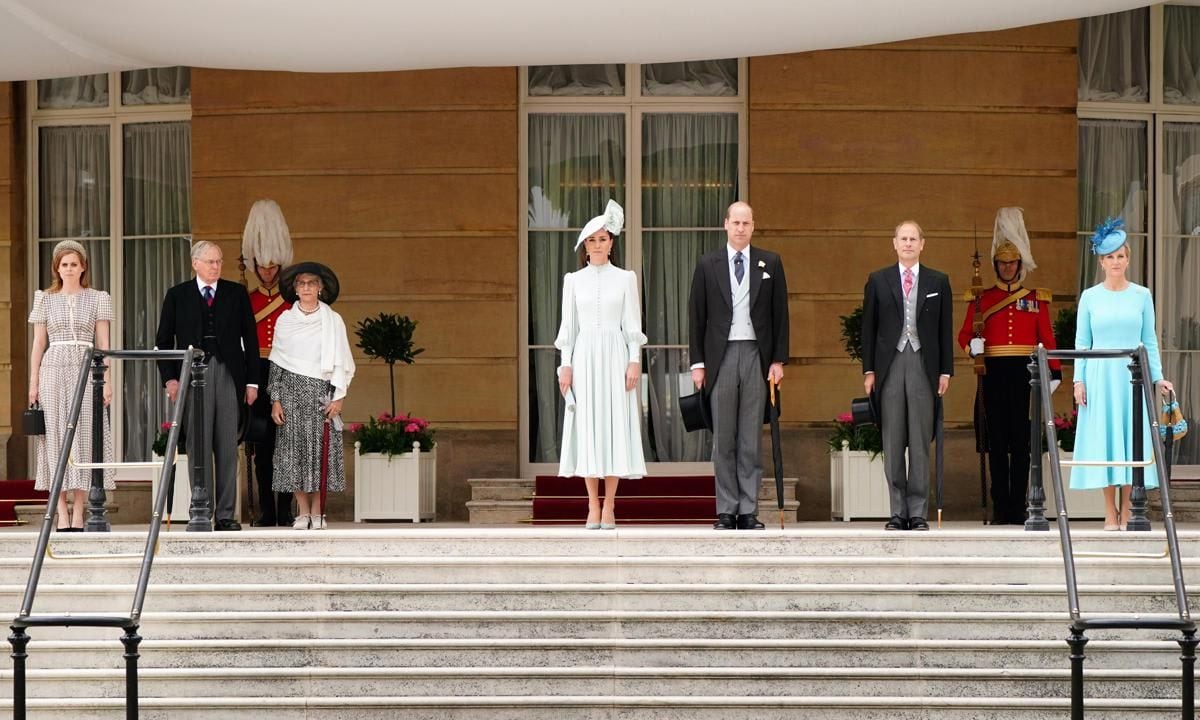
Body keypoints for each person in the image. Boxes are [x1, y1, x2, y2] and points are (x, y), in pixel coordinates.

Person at [688, 201, 789, 531]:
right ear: (726, 224)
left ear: (753, 226)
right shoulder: (708, 264)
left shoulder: (770, 262)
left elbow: (780, 316)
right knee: (724, 438)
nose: (741, 228)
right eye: (736, 222)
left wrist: (777, 360)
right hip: (721, 356)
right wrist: (698, 363)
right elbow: (696, 316)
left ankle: (748, 509)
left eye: (746, 222)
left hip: (756, 356)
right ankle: (726, 510)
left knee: (750, 437)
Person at [957, 208, 1062, 525]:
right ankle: (1001, 506)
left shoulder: (1036, 298)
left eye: (1012, 263)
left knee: (1021, 444)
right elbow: (964, 333)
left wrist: (1053, 371)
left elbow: (1047, 337)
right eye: (1002, 263)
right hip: (992, 374)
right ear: (995, 266)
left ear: (1019, 265)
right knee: (996, 442)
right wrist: (971, 346)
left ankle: (1021, 506)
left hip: (1024, 375)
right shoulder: (981, 298)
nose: (1006, 267)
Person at [1071, 218, 1173, 531]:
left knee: (1132, 441)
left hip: (1134, 377)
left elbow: (1150, 340)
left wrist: (1158, 377)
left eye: (1121, 255)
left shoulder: (1142, 295)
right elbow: (1081, 343)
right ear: (1101, 262)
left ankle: (1129, 509)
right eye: (1110, 256)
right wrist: (1079, 380)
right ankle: (1108, 512)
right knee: (1106, 441)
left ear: (1128, 259)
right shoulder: (1090, 297)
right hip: (1100, 376)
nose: (1116, 261)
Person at [156, 241, 260, 531]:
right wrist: (171, 378)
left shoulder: (236, 293)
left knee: (227, 444)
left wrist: (252, 382)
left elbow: (250, 340)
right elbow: (163, 342)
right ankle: (200, 510)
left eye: (219, 261)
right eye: (210, 261)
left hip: (228, 372)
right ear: (195, 263)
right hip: (191, 374)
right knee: (197, 444)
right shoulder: (177, 295)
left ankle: (226, 515)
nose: (216, 266)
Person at [555, 200, 646, 529]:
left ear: (612, 242)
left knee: (613, 427)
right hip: (584, 357)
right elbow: (568, 328)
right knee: (589, 427)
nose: (597, 245)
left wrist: (634, 359)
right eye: (591, 240)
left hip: (614, 357)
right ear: (585, 245)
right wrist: (565, 365)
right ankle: (592, 504)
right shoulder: (573, 280)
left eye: (603, 239)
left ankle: (610, 505)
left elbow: (632, 325)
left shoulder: (625, 279)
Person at [862, 220, 953, 531]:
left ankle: (917, 512)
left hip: (923, 365)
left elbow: (944, 329)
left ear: (922, 244)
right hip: (889, 365)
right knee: (893, 440)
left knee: (918, 439)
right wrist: (869, 370)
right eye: (904, 238)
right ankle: (897, 511)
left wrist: (945, 370)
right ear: (895, 243)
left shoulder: (938, 281)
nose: (909, 243)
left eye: (914, 238)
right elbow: (868, 329)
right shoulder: (878, 280)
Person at [28, 240, 114, 531]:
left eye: (74, 264)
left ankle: (79, 510)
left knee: (85, 436)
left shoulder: (98, 297)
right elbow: (39, 344)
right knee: (55, 438)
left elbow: (103, 343)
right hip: (53, 368)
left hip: (87, 367)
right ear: (57, 268)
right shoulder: (44, 298)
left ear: (83, 267)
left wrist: (108, 380)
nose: (69, 269)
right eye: (64, 264)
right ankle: (60, 513)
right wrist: (33, 382)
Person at [269, 262, 355, 530]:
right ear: (295, 289)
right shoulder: (285, 320)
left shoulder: (333, 320)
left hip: (321, 394)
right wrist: (275, 399)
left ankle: (318, 512)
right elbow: (277, 363)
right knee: (293, 454)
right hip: (291, 394)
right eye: (301, 283)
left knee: (319, 454)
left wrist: (339, 397)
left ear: (321, 288)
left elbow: (343, 360)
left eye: (311, 283)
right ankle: (302, 512)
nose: (306, 288)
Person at [242, 200, 295, 528]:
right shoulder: (247, 300)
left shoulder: (291, 301)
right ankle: (267, 510)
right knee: (261, 446)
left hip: (286, 371)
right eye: (263, 266)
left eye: (273, 266)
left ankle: (286, 508)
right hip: (258, 372)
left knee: (286, 446)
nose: (269, 271)